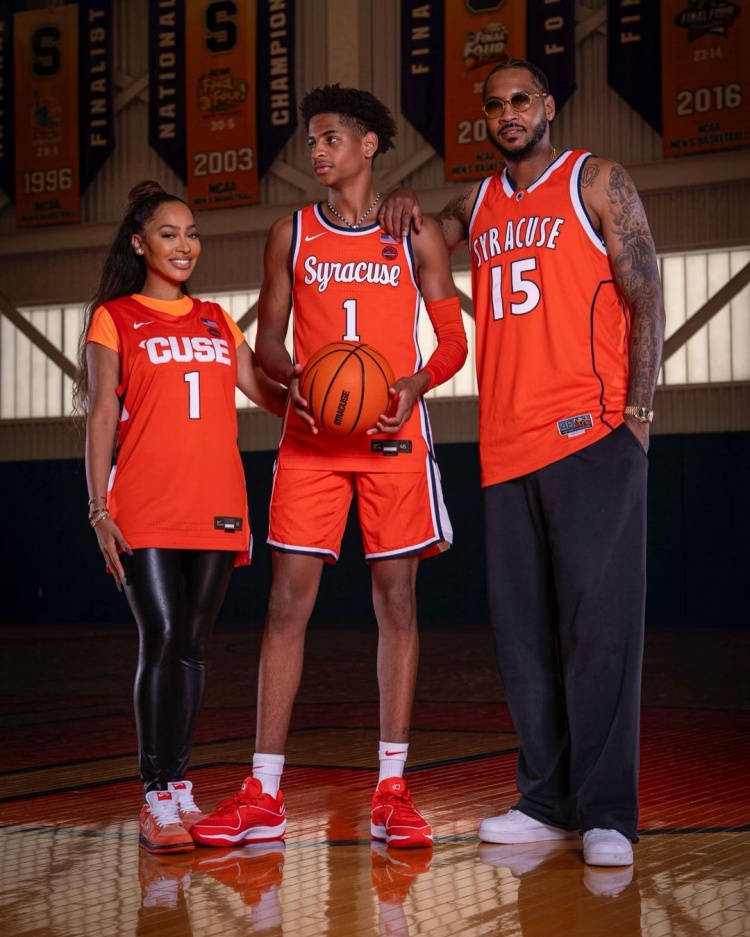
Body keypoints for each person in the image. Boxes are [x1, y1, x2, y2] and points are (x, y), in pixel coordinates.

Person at [378, 59, 665, 867]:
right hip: (505, 447)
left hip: (590, 434)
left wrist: (639, 416)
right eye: (494, 105)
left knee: (599, 630)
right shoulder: (478, 203)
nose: (508, 113)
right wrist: (405, 202)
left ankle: (606, 812)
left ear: (546, 108)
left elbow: (647, 293)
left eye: (520, 100)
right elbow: (426, 238)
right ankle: (545, 799)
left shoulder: (596, 180)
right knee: (524, 637)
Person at [191, 85, 467, 850]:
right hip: (312, 440)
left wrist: (416, 382)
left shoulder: (414, 233)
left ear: (369, 145)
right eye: (311, 140)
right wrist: (294, 380)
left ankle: (392, 788)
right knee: (286, 604)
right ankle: (263, 791)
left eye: (331, 139)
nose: (317, 151)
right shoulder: (292, 233)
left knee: (398, 602)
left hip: (392, 439)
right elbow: (268, 339)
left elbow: (452, 341)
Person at [74, 181, 286, 855]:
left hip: (217, 503)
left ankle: (180, 785)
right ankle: (155, 794)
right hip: (144, 504)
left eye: (191, 233)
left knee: (192, 642)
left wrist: (337, 397)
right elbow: (101, 413)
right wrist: (98, 509)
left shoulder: (218, 320)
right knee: (162, 634)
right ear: (140, 245)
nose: (185, 245)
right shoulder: (114, 318)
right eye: (169, 234)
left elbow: (266, 392)